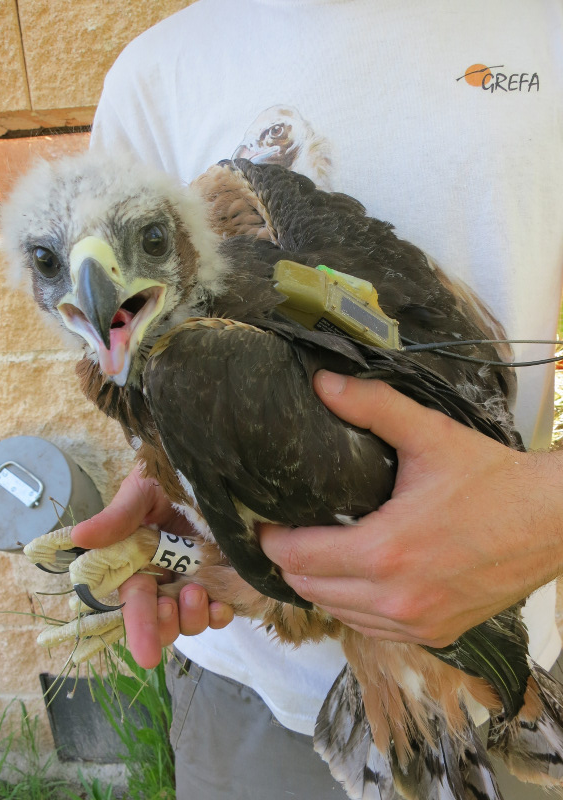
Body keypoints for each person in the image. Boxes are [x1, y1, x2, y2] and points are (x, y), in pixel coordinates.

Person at [73, 1, 563, 797]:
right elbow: (130, 331)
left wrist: (547, 511)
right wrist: (182, 467)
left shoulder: (547, 30)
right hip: (247, 690)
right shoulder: (157, 72)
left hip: (485, 660)